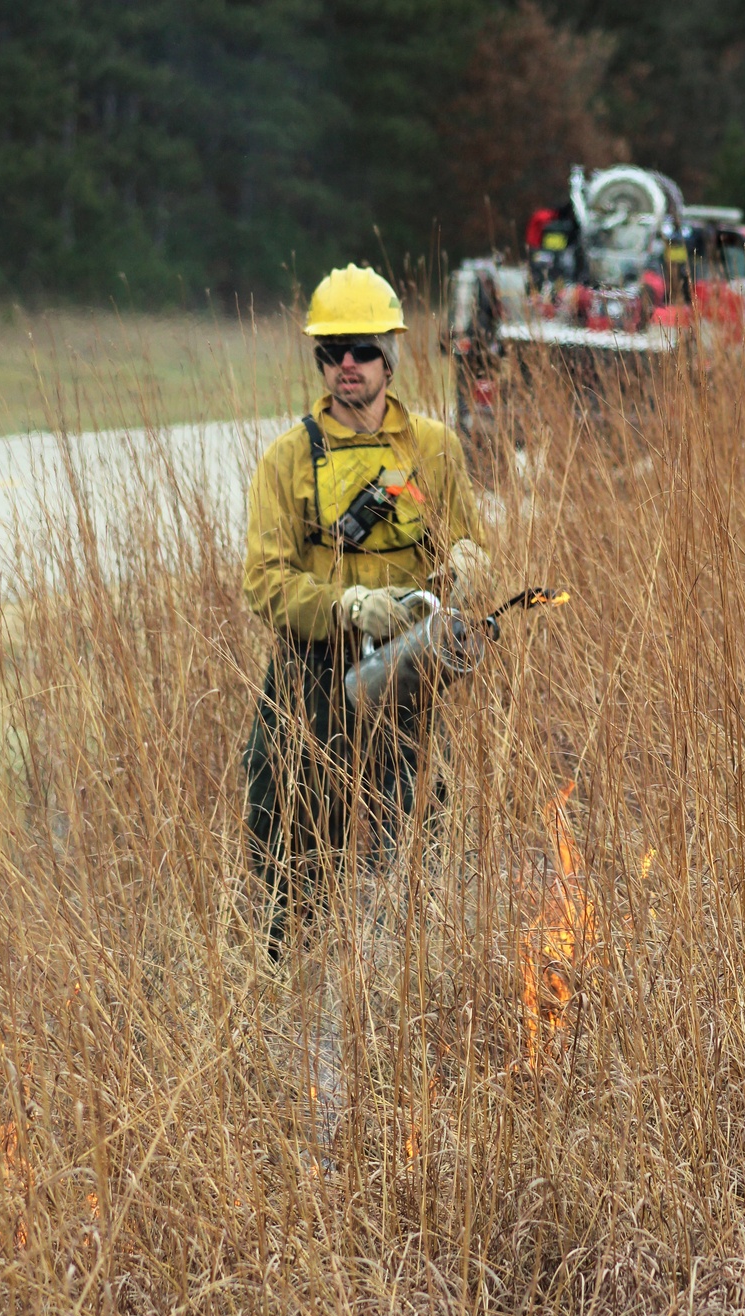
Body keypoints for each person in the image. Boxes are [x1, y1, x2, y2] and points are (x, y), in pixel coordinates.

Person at [242, 264, 492, 956]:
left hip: (406, 675)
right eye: (330, 352)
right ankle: (289, 966)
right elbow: (262, 582)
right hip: (312, 675)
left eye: (360, 349)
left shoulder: (434, 450)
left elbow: (467, 535)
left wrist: (471, 556)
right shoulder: (288, 459)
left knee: (413, 832)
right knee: (286, 826)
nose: (345, 364)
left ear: (390, 352)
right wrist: (346, 605)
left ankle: (403, 974)